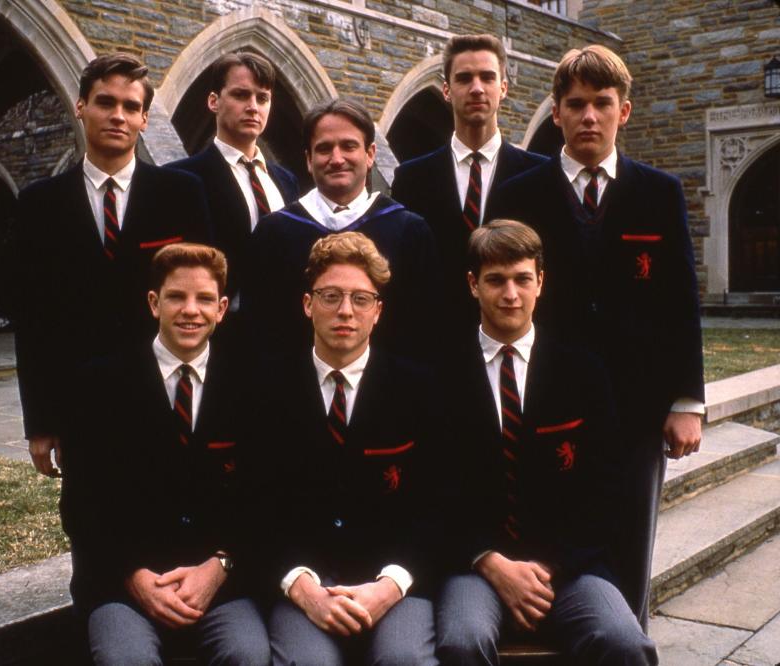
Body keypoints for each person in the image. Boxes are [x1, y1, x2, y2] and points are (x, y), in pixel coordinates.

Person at [489, 44, 704, 626]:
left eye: (601, 104)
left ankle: (624, 637)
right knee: (549, 536)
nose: (589, 116)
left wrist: (687, 401)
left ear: (624, 111)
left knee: (630, 539)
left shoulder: (658, 193)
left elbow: (680, 301)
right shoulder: (517, 194)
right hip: (546, 401)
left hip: (636, 406)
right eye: (576, 104)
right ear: (555, 112)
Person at [435, 219, 656, 665]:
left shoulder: (583, 372)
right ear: (472, 285)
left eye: (522, 279)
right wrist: (490, 561)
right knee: (462, 640)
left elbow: (608, 488)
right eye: (495, 281)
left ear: (541, 281)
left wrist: (548, 568)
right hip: (475, 565)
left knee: (624, 642)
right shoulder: (439, 376)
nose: (510, 294)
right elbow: (431, 492)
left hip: (569, 567)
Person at [61, 242, 269, 665]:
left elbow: (265, 498)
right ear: (154, 303)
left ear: (222, 308)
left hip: (222, 582)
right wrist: (133, 576)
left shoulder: (253, 387)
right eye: (177, 296)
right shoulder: (98, 385)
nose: (190, 310)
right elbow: (81, 505)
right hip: (123, 583)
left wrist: (221, 564)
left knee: (247, 653)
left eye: (204, 299)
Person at [14, 53, 210, 478]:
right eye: (106, 103)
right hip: (82, 403)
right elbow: (32, 320)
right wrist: (40, 422)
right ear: (81, 106)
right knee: (94, 529)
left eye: (131, 107)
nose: (118, 116)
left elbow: (205, 300)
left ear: (143, 120)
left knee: (176, 524)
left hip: (169, 394)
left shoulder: (182, 194)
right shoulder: (38, 205)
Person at [255, 232, 437, 665]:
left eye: (360, 299)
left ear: (378, 311)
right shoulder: (266, 390)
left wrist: (387, 586)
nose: (345, 311)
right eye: (331, 296)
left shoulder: (419, 390)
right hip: (303, 584)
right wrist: (304, 590)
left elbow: (438, 506)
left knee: (404, 660)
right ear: (307, 304)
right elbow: (252, 506)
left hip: (396, 581)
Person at [242, 98, 438, 360]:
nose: (337, 159)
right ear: (309, 160)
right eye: (324, 149)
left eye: (348, 146)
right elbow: (258, 332)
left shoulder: (409, 232)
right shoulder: (274, 233)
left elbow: (424, 332)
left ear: (370, 155)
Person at [391, 34, 546, 330]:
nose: (476, 88)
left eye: (487, 77)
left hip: (514, 343)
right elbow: (406, 272)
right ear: (447, 90)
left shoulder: (538, 176)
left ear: (503, 88)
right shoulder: (411, 179)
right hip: (437, 344)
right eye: (464, 79)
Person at [168, 51, 299, 315]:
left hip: (284, 326)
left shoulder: (286, 181)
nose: (253, 106)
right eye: (241, 95)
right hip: (221, 329)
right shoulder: (181, 178)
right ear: (214, 101)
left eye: (262, 98)